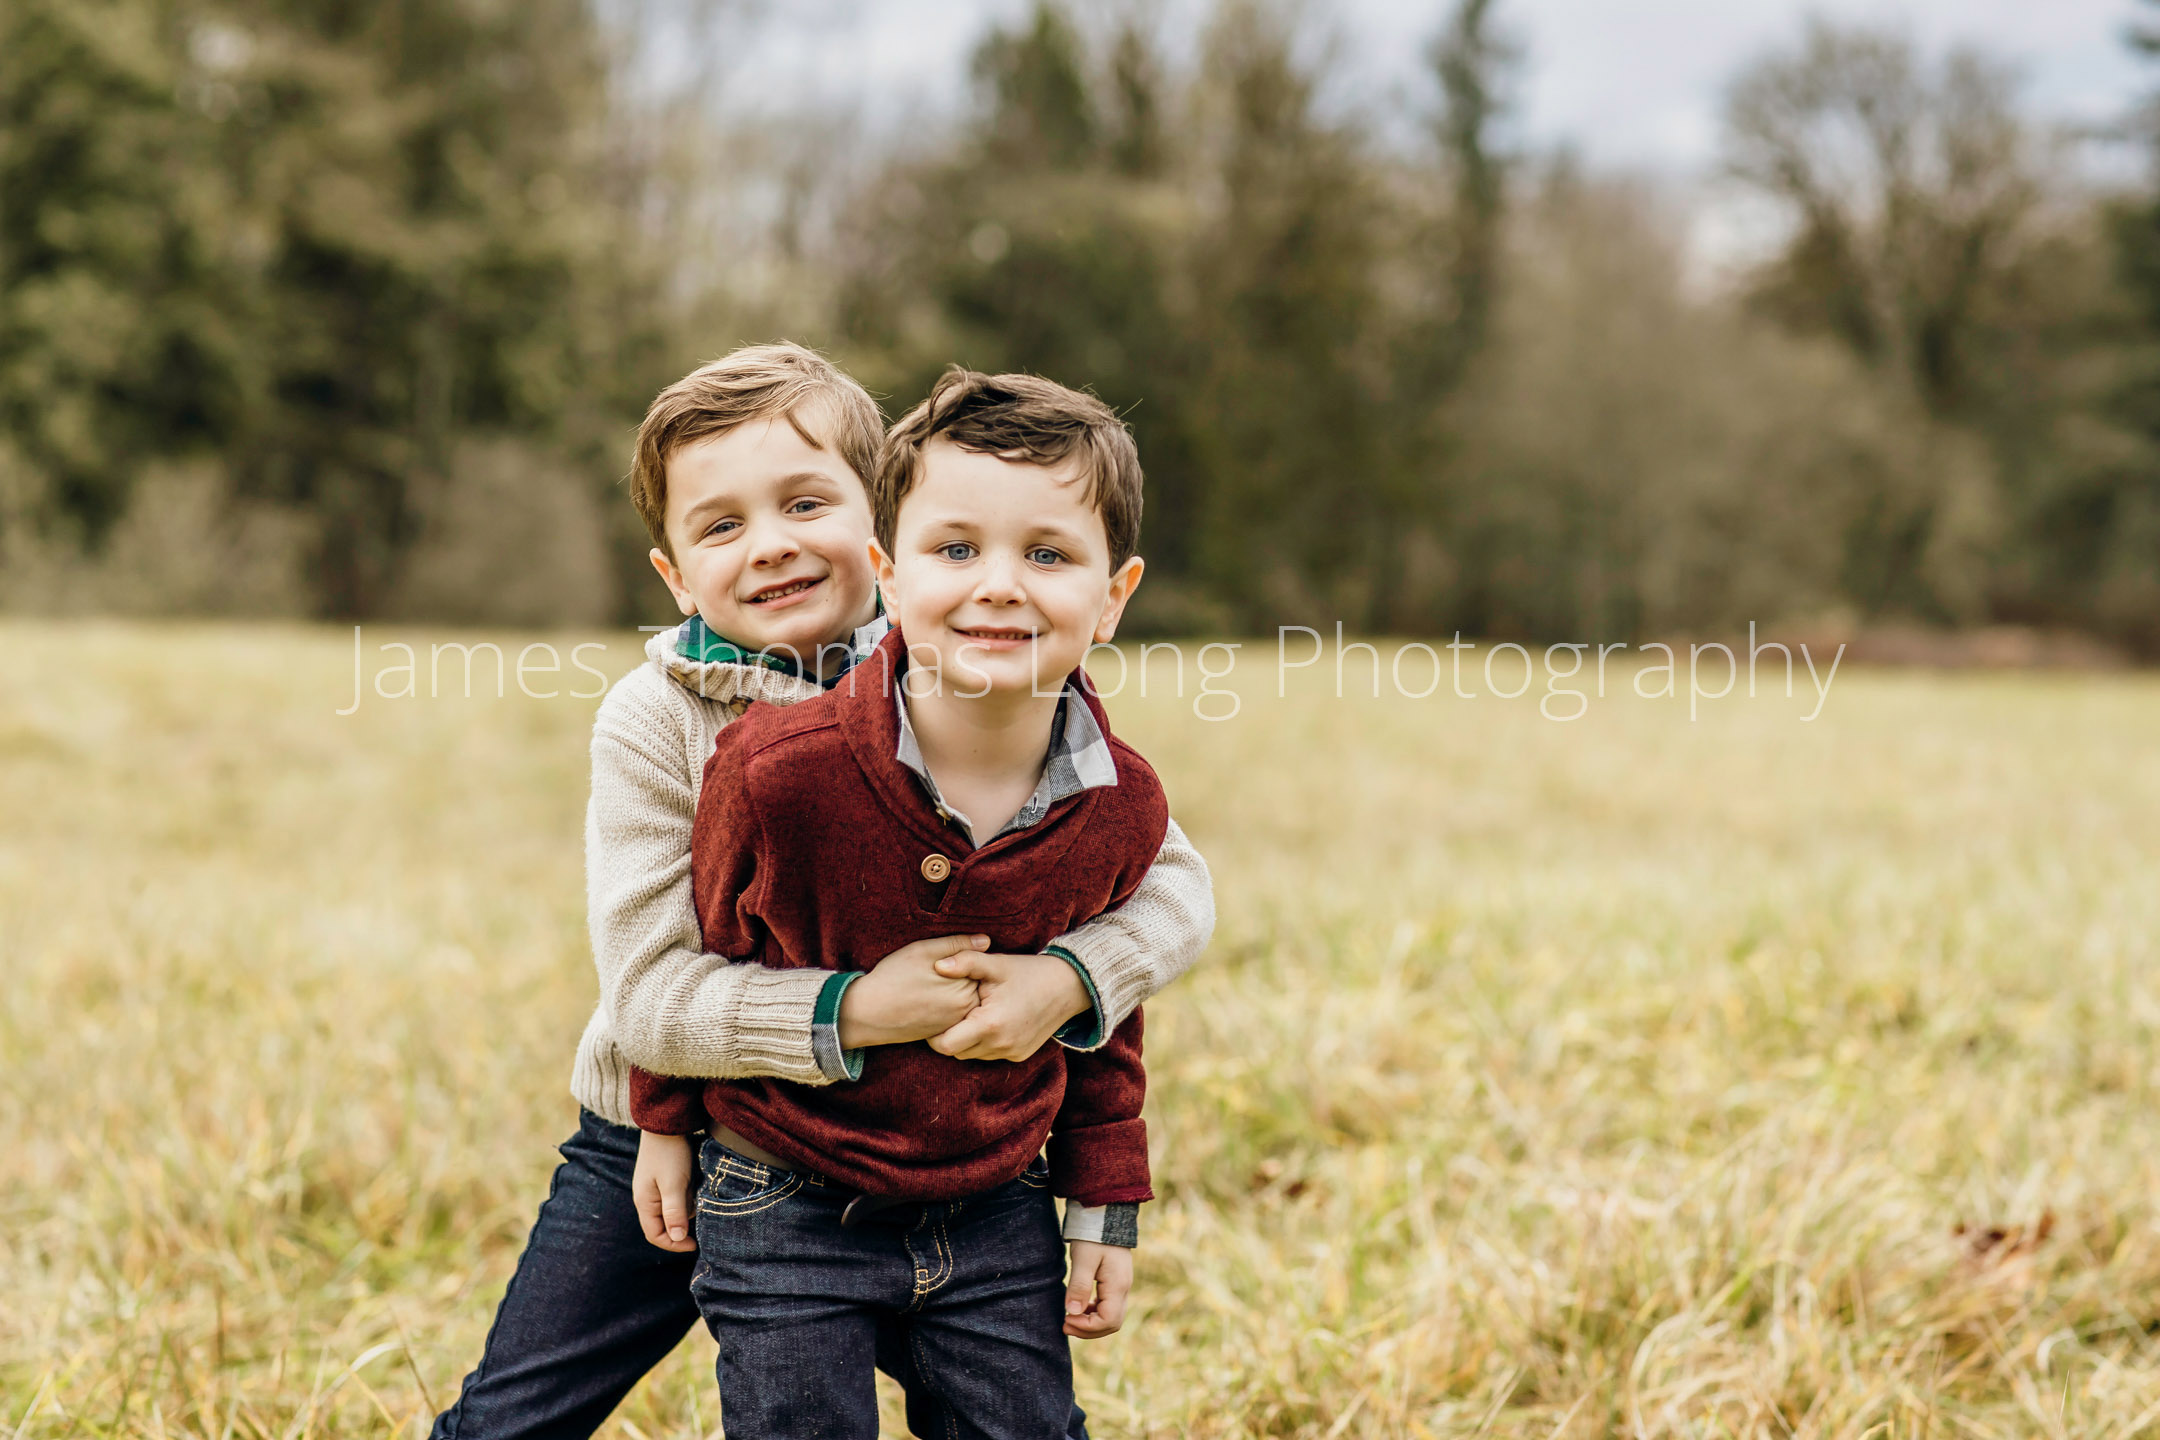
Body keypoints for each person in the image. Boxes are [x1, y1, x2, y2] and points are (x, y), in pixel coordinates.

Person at [429, 345, 1213, 1440]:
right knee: (517, 1413)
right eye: (721, 526)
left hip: (921, 1146)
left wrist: (1065, 982)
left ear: (879, 530)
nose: (773, 545)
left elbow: (1161, 887)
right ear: (673, 574)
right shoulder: (657, 722)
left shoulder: (961, 660)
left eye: (807, 502)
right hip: (662, 1122)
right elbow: (652, 991)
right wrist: (847, 1014)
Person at [630, 367, 1173, 1440]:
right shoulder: (776, 771)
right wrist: (664, 1123)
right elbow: (705, 939)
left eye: (1050, 556)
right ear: (889, 570)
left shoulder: (1120, 799)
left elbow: (1110, 996)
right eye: (957, 549)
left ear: (1115, 596)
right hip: (781, 1194)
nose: (1001, 586)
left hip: (995, 1206)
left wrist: (1104, 1203)